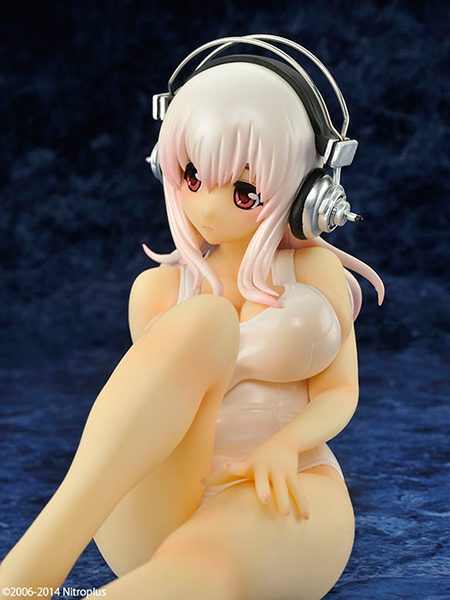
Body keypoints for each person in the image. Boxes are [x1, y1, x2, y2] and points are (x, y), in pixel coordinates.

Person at [0, 37, 384, 600]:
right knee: (206, 321)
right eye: (192, 176)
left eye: (245, 191)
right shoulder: (157, 291)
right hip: (158, 503)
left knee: (203, 562)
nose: (206, 205)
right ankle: (25, 576)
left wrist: (286, 444)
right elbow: (146, 423)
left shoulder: (315, 271)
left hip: (282, 484)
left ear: (309, 193)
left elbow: (340, 392)